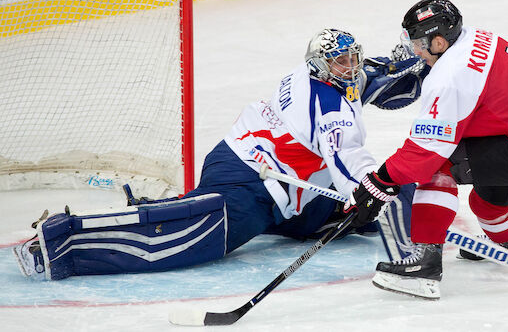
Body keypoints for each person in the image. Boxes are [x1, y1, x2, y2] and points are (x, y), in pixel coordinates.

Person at [13, 28, 425, 280]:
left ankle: (195, 207)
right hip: (250, 180)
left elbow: (377, 76)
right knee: (199, 238)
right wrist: (371, 186)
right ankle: (66, 240)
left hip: (275, 177)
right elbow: (345, 156)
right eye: (341, 61)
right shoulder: (329, 109)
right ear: (321, 66)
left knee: (344, 216)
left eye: (351, 58)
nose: (350, 67)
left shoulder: (324, 76)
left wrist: (417, 62)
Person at [344, 0, 508, 299]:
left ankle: (425, 267)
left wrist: (379, 181)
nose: (416, 51)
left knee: (438, 166)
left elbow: (425, 154)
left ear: (440, 42)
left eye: (419, 44)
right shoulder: (477, 36)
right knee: (488, 201)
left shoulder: (450, 78)